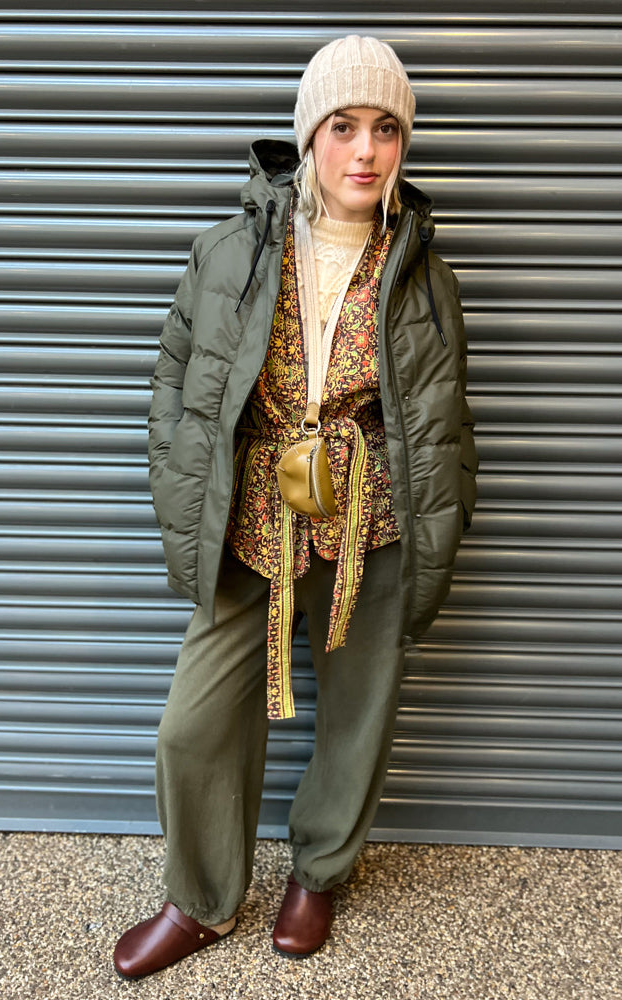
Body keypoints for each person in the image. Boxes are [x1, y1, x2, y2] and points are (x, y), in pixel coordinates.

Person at [113, 35, 477, 979]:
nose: (366, 151)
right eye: (343, 126)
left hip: (373, 523)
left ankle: (318, 873)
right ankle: (200, 899)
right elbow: (174, 386)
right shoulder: (229, 251)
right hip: (252, 520)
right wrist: (178, 490)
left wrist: (443, 522)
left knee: (358, 711)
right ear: (308, 134)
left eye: (386, 129)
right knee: (193, 724)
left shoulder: (419, 270)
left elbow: (443, 418)